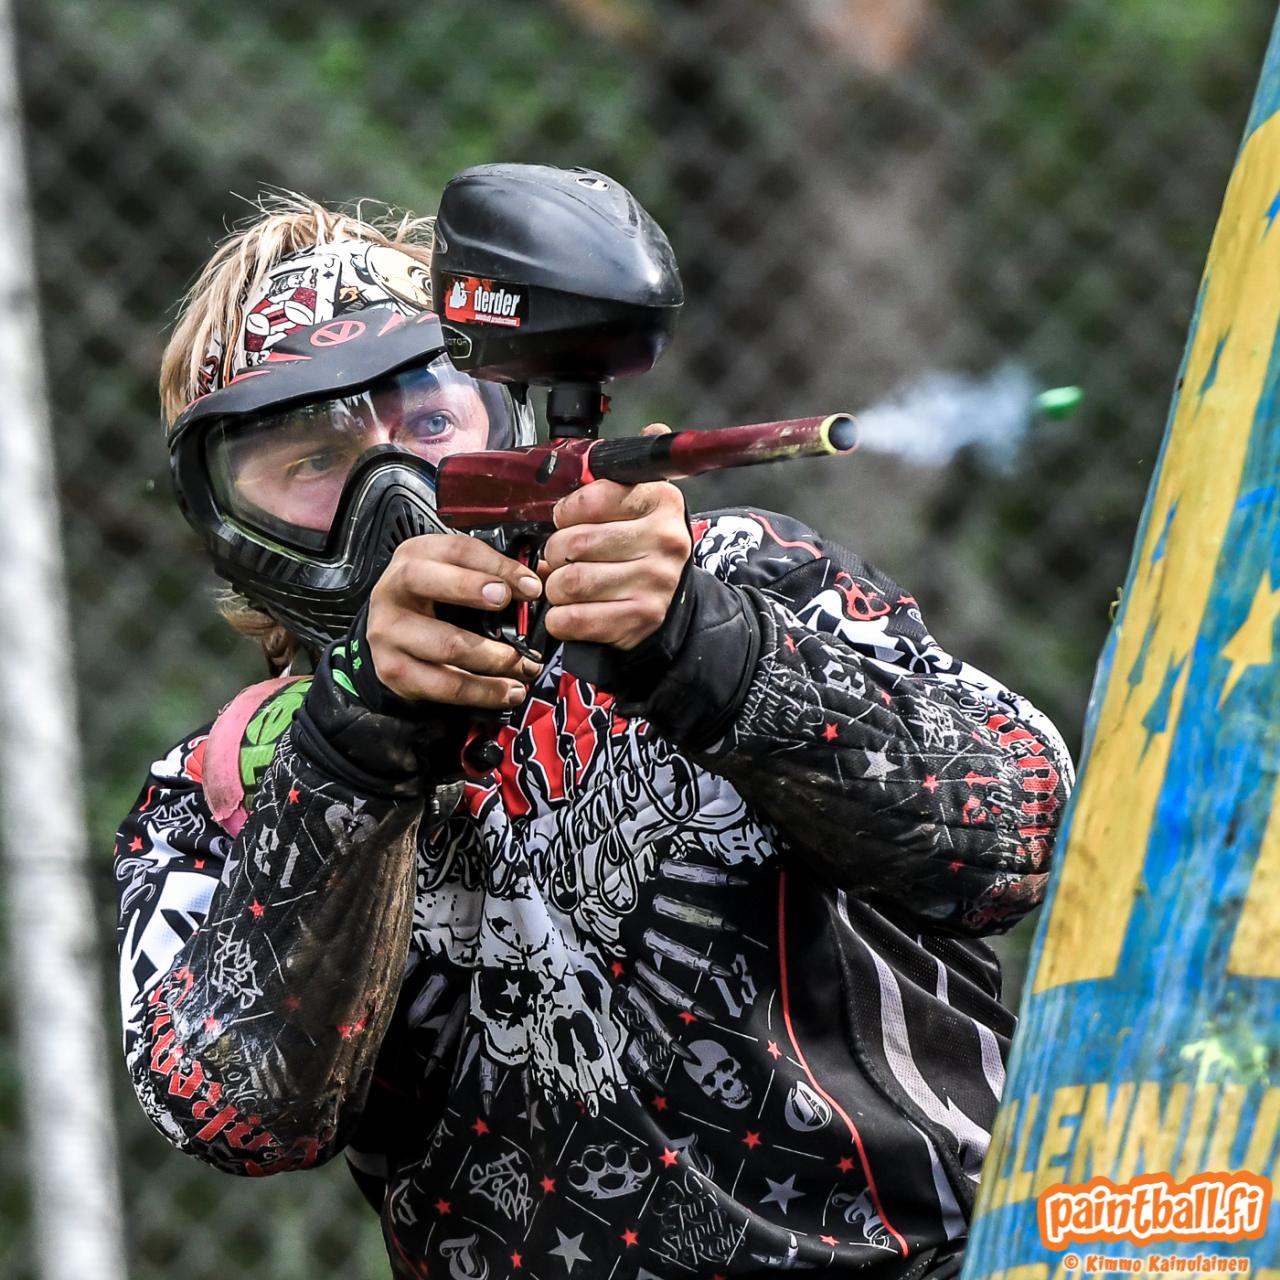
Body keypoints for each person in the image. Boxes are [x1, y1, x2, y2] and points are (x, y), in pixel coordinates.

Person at [116, 189, 1073, 1280]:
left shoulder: (741, 575)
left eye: (430, 423)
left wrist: (707, 648)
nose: (395, 489)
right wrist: (355, 749)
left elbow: (1021, 830)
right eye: (312, 461)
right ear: (229, 515)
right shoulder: (216, 790)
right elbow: (232, 1112)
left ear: (508, 410)